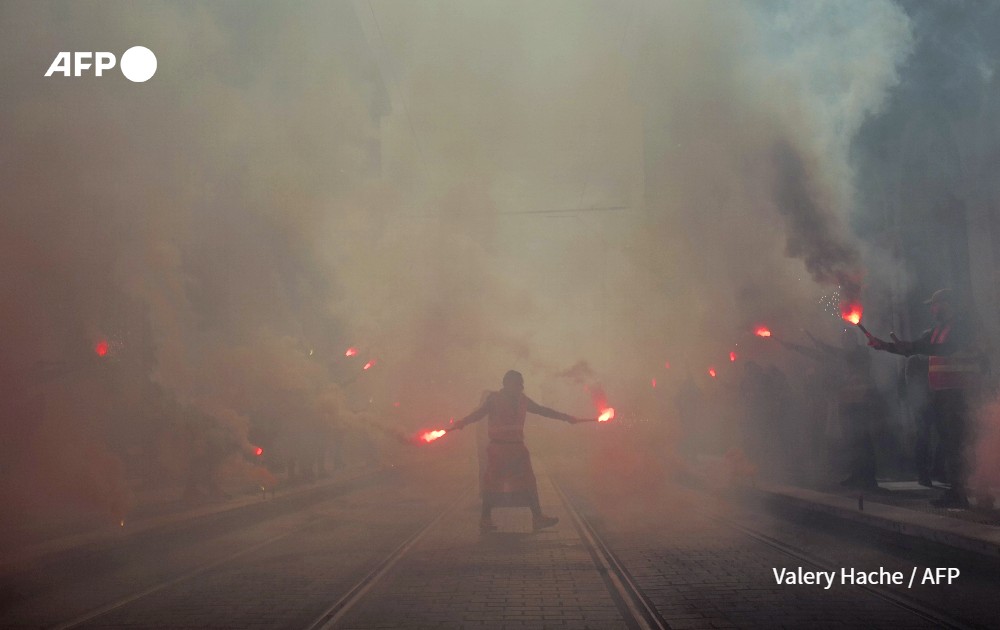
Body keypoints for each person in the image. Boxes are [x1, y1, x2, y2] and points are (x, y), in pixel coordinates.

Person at [866, 289, 985, 508]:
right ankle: (961, 491)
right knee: (952, 444)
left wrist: (911, 346)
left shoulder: (962, 326)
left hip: (961, 393)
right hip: (943, 394)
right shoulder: (936, 330)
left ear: (947, 304)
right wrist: (884, 345)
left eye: (935, 304)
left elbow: (946, 349)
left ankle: (973, 490)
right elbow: (913, 348)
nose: (932, 309)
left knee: (962, 443)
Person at [452, 370, 590, 532]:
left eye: (521, 383)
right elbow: (478, 414)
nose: (521, 386)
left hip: (517, 447)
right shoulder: (494, 399)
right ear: (507, 384)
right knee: (492, 483)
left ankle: (537, 517)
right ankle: (485, 518)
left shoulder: (523, 400)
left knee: (529, 481)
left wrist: (567, 418)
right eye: (518, 383)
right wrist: (463, 422)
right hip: (498, 448)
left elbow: (543, 410)